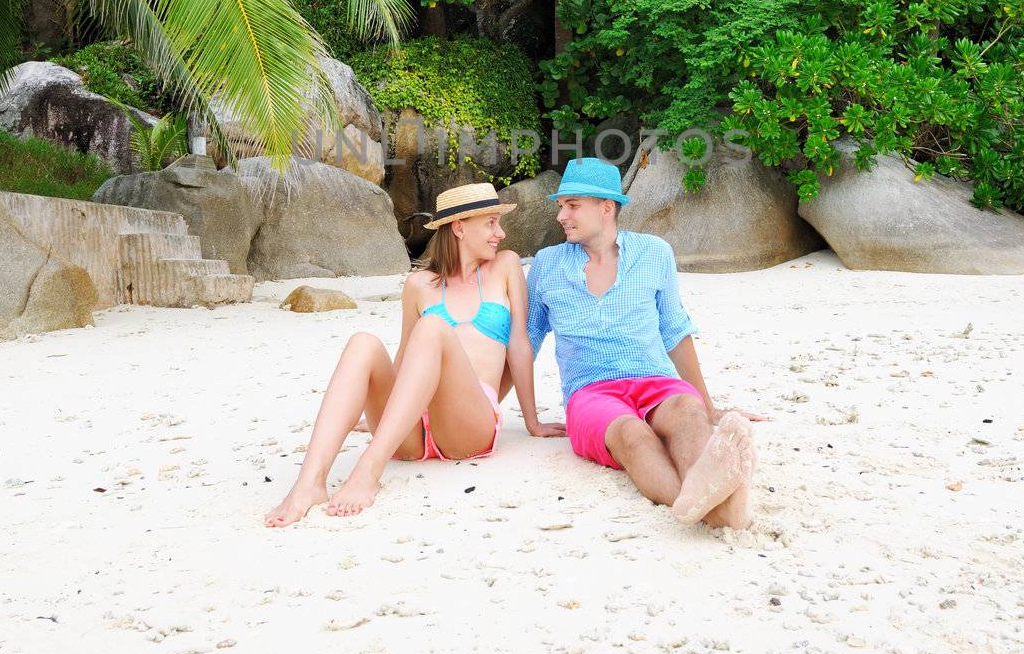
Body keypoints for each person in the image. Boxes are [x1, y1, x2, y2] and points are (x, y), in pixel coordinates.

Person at [265, 182, 564, 527]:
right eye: (491, 222)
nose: (501, 233)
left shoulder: (506, 266)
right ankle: (309, 483)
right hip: (410, 432)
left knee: (434, 327)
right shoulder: (419, 284)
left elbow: (519, 345)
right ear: (460, 227)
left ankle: (367, 470)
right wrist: (377, 410)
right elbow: (406, 356)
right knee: (363, 342)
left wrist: (532, 421)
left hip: (467, 427)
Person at [527, 157, 760, 529]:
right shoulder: (547, 263)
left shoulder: (654, 253)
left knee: (687, 409)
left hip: (656, 379)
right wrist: (527, 418)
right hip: (591, 392)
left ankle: (709, 499)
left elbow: (674, 329)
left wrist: (708, 406)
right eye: (560, 206)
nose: (561, 216)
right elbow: (526, 338)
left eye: (572, 205)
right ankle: (714, 510)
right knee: (632, 434)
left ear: (606, 208)